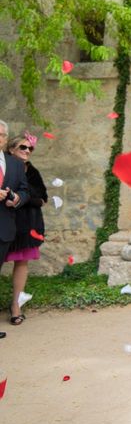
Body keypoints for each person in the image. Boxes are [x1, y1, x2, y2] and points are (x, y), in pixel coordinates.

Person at [5, 131, 47, 325]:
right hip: (4, 220)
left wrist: (23, 195)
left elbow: (43, 198)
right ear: (11, 148)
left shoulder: (31, 171)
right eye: (23, 147)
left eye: (30, 148)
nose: (27, 150)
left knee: (21, 264)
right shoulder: (3, 165)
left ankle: (16, 306)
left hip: (26, 224)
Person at [0, 120, 30, 339]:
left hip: (4, 227)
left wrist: (18, 199)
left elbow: (25, 191)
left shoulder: (15, 164)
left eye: (1, 135)